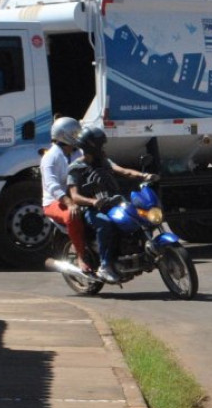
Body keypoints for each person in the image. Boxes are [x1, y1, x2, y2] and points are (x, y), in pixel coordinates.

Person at [67, 126, 159, 284]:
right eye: (100, 145)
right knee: (106, 224)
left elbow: (123, 171)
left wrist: (145, 175)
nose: (103, 148)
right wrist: (93, 201)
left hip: (114, 203)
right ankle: (105, 265)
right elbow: (74, 196)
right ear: (92, 147)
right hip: (91, 210)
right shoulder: (76, 168)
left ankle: (139, 251)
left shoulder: (103, 161)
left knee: (137, 216)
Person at [40, 117, 89, 271]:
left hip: (76, 196)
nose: (78, 136)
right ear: (64, 135)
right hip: (53, 202)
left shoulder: (78, 153)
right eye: (75, 133)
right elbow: (52, 186)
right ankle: (81, 256)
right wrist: (69, 203)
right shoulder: (50, 157)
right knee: (71, 215)